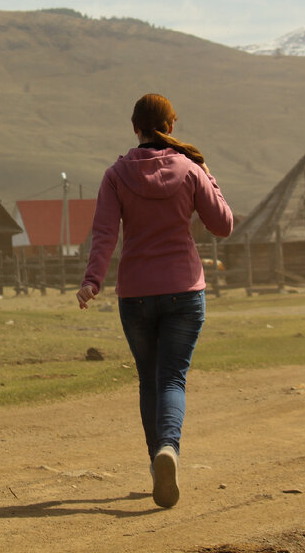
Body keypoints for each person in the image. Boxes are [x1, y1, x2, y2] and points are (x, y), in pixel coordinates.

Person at [76, 93, 233, 508]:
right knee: (172, 379)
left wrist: (92, 281)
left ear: (135, 128)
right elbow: (223, 225)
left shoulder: (115, 176)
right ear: (171, 126)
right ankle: (168, 449)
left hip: (137, 295)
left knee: (150, 380)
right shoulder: (190, 170)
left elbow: (104, 234)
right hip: (185, 291)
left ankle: (158, 462)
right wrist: (209, 178)